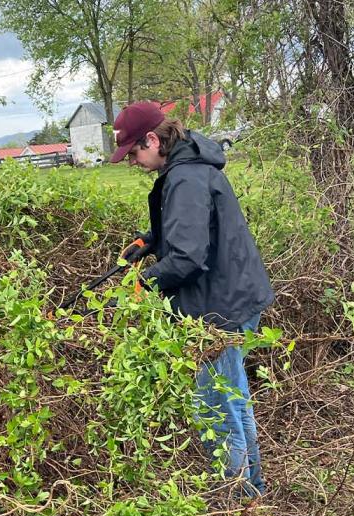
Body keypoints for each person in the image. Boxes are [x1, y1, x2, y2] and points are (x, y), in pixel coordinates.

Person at [109, 101, 275, 496]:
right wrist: (149, 242)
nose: (132, 160)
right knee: (234, 401)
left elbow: (187, 258)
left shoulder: (185, 179)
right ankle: (253, 492)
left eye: (133, 151)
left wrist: (141, 286)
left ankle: (236, 504)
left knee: (215, 410)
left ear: (153, 139)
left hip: (218, 309)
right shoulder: (193, 167)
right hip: (235, 298)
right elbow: (193, 231)